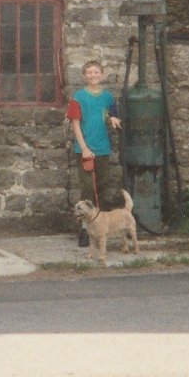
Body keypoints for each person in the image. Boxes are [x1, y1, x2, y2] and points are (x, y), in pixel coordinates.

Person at [67, 60, 123, 246]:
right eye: (89, 72)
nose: (93, 75)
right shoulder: (78, 97)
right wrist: (83, 148)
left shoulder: (107, 97)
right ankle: (84, 230)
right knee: (87, 189)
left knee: (103, 186)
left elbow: (113, 112)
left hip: (102, 149)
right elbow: (75, 123)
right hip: (85, 149)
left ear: (102, 74)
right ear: (84, 76)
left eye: (96, 72)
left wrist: (114, 118)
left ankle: (100, 228)